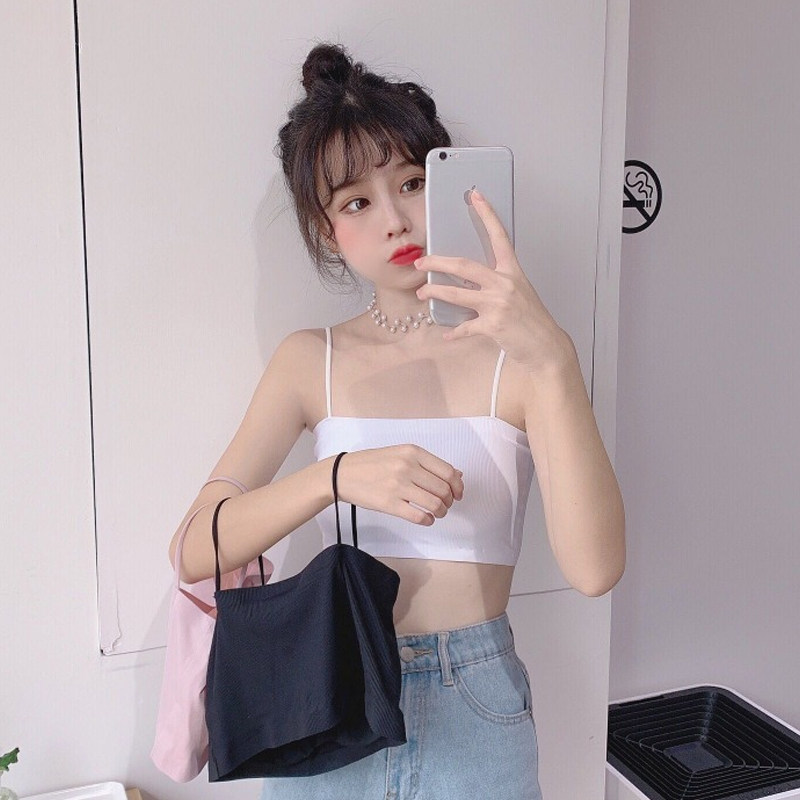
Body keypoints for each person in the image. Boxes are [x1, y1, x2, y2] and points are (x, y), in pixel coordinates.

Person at [169, 42, 625, 800]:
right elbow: (195, 549)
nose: (395, 219)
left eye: (413, 182)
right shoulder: (308, 360)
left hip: (476, 704)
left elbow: (595, 570)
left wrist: (553, 358)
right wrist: (335, 478)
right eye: (357, 202)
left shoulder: (524, 358)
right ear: (327, 232)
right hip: (331, 697)